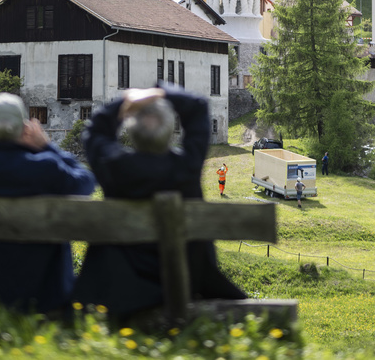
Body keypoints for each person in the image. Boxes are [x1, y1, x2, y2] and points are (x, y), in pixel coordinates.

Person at [73, 86, 246, 317]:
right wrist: (160, 91)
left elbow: (94, 132)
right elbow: (198, 107)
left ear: (132, 133)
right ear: (168, 132)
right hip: (186, 281)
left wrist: (127, 98)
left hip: (124, 289)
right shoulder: (186, 168)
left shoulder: (115, 167)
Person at [0, 93, 95, 314]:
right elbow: (86, 183)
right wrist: (48, 147)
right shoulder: (46, 168)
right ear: (23, 129)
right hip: (45, 296)